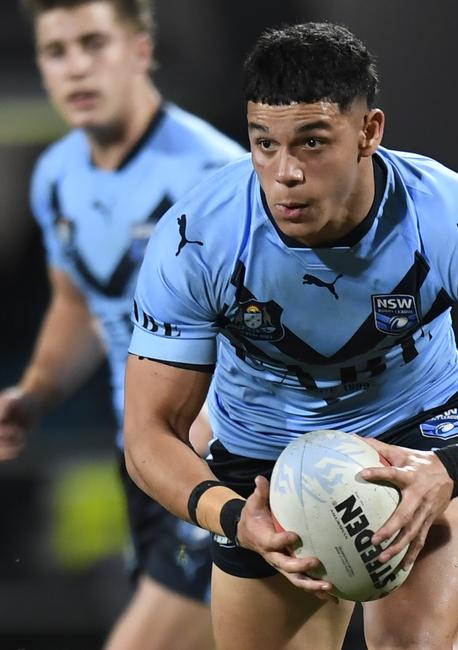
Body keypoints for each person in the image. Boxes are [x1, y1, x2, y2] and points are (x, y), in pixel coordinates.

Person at [123, 21, 458, 650]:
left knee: (413, 642)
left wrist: (452, 470)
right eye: (263, 143)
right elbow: (147, 434)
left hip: (419, 439)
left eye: (312, 142)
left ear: (369, 133)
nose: (285, 173)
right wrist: (235, 516)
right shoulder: (196, 240)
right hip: (262, 459)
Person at [0, 1, 245, 648]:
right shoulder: (57, 176)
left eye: (94, 43)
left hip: (225, 463)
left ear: (140, 52)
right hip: (146, 461)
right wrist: (37, 393)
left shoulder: (216, 175)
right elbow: (79, 301)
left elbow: (270, 322)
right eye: (57, 51)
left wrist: (219, 424)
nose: (75, 67)